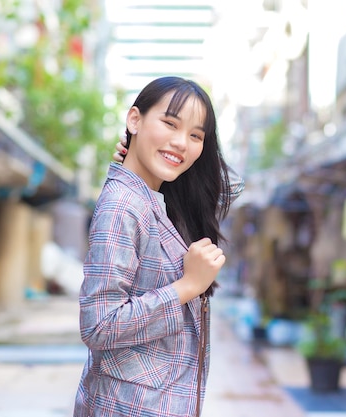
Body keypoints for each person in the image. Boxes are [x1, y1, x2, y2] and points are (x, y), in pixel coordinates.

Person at [74, 76, 243, 417]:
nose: (182, 143)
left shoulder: (157, 196)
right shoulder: (123, 205)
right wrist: (187, 287)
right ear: (134, 119)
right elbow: (99, 325)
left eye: (196, 135)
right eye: (169, 124)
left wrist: (146, 147)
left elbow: (228, 185)